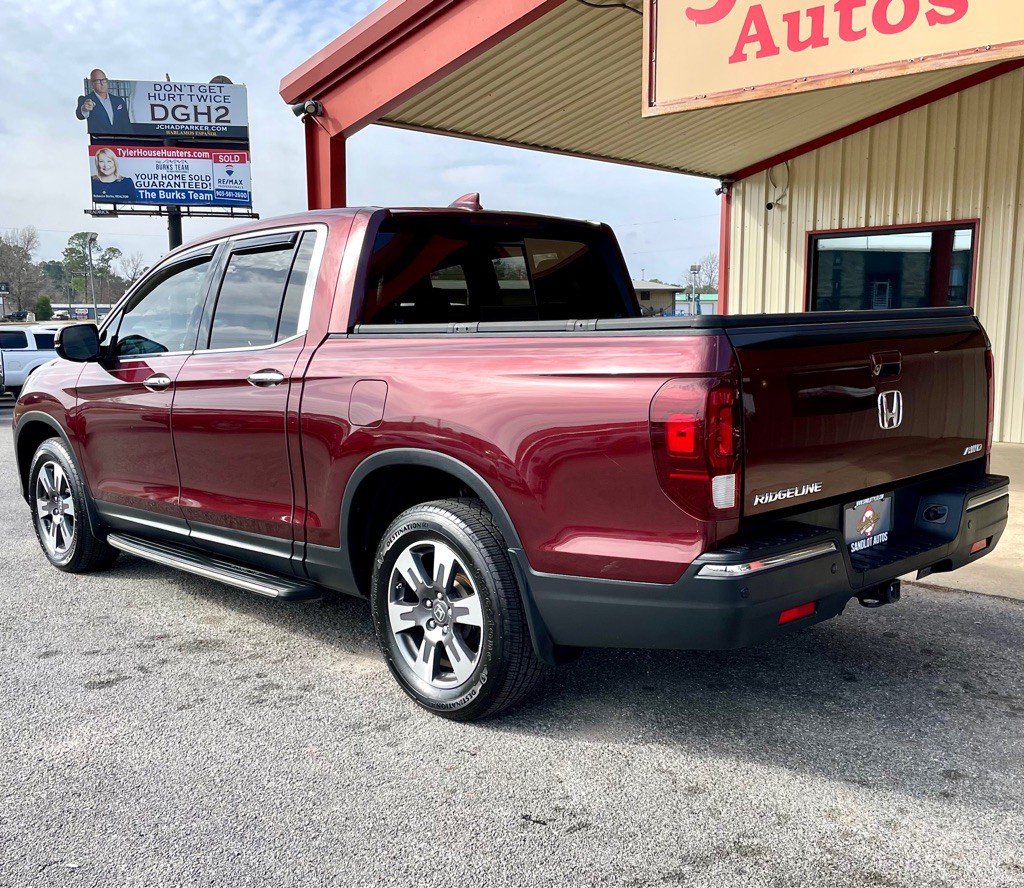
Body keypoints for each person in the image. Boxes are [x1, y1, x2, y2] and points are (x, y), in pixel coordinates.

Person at [76, 69, 132, 134]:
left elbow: (126, 124)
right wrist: (84, 109)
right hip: (100, 141)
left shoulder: (118, 101)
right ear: (91, 83)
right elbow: (80, 115)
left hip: (120, 141)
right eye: (98, 81)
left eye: (104, 80)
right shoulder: (86, 100)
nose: (102, 83)